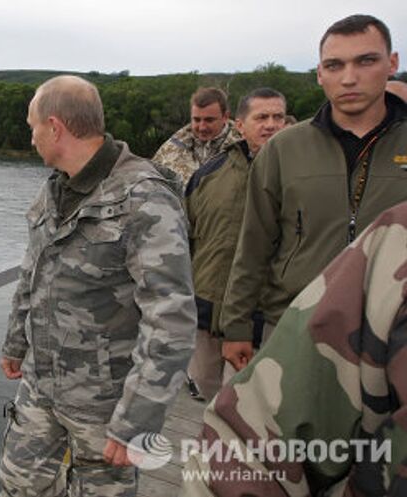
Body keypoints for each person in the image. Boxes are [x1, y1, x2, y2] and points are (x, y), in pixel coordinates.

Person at [0, 75, 196, 496]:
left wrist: (139, 419)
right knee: (17, 486)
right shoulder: (55, 189)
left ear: (55, 127)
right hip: (41, 384)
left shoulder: (144, 198)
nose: (31, 138)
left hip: (106, 400)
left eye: (32, 126)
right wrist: (16, 342)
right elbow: (31, 272)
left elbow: (171, 319)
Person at [179, 200, 407, 496]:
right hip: (286, 327)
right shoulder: (263, 162)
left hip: (307, 324)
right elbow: (250, 246)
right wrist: (235, 324)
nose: (257, 148)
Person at [219, 14, 407, 373]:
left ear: (392, 63)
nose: (348, 78)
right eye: (335, 65)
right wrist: (237, 325)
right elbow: (254, 244)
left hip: (396, 334)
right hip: (295, 323)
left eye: (365, 61)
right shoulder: (283, 149)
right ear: (320, 74)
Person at [184, 88, 286, 401]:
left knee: (244, 399)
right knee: (203, 384)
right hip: (207, 307)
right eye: (261, 117)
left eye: (277, 117)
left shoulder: (299, 176)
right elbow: (185, 237)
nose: (270, 124)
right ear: (239, 125)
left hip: (263, 313)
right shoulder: (208, 175)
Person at [152, 87, 242, 186]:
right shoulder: (170, 150)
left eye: (209, 120)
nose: (202, 127)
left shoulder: (246, 148)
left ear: (225, 117)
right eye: (197, 120)